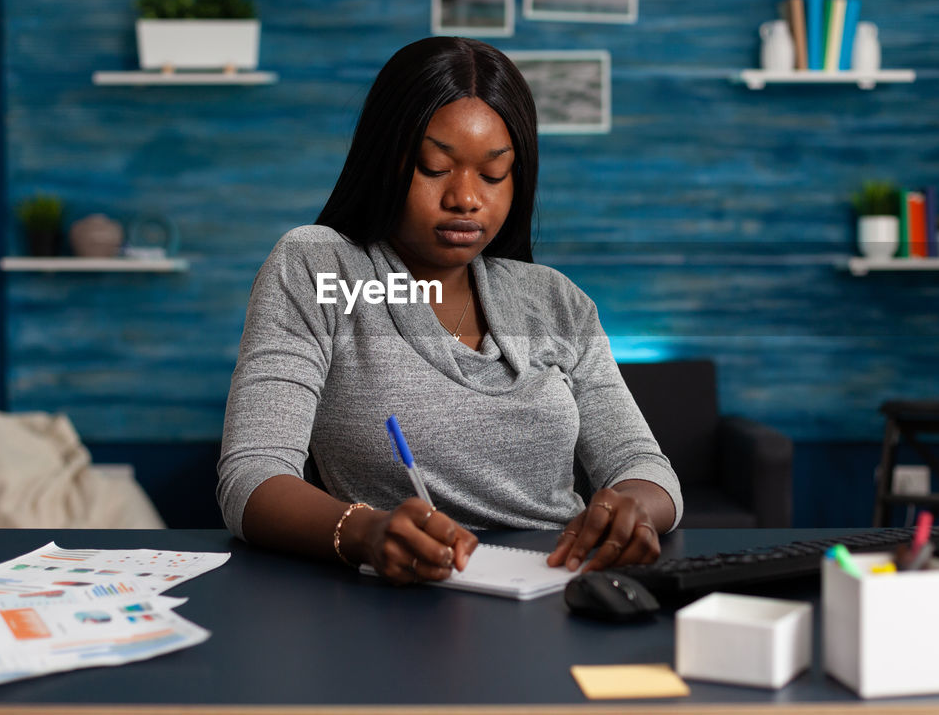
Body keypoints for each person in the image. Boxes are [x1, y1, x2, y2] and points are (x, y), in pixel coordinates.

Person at [217, 37, 681, 585]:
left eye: (492, 175)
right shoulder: (320, 268)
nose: (465, 198)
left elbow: (645, 466)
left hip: (558, 586)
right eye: (434, 168)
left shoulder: (556, 299)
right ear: (383, 160)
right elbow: (251, 475)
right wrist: (365, 532)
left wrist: (630, 510)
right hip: (395, 597)